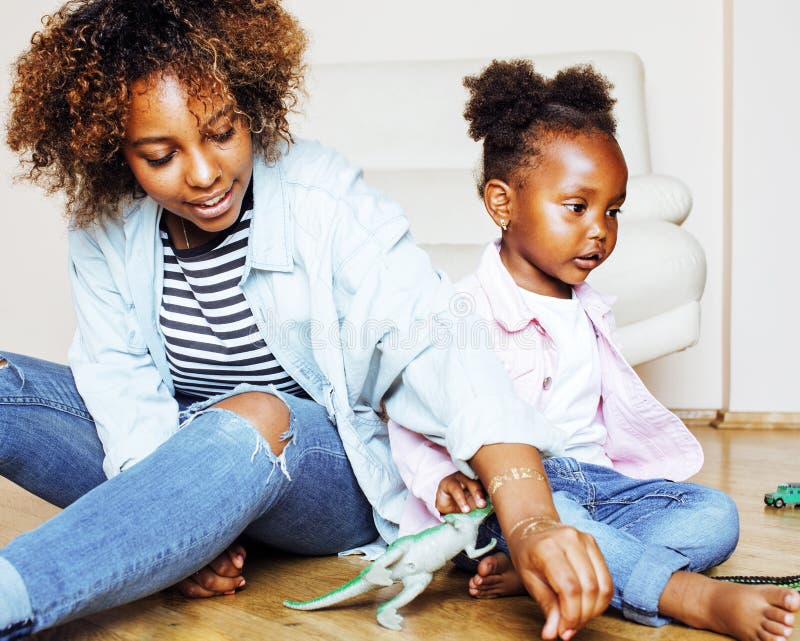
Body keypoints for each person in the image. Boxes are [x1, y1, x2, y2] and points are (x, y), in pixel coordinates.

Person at [0, 3, 611, 639]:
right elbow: (118, 379)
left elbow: (434, 337)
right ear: (112, 150)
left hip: (322, 463)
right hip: (169, 448)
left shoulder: (322, 196)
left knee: (255, 411)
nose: (205, 173)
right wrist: (179, 539)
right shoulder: (103, 227)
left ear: (250, 107)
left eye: (221, 132)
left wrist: (531, 518)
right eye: (160, 155)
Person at [388, 59, 800, 641]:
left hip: (596, 483)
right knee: (566, 520)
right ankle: (685, 595)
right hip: (509, 501)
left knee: (714, 515)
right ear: (502, 204)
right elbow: (401, 408)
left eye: (613, 210)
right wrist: (435, 479)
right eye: (577, 207)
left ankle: (553, 570)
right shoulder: (461, 312)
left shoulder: (590, 308)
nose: (599, 229)